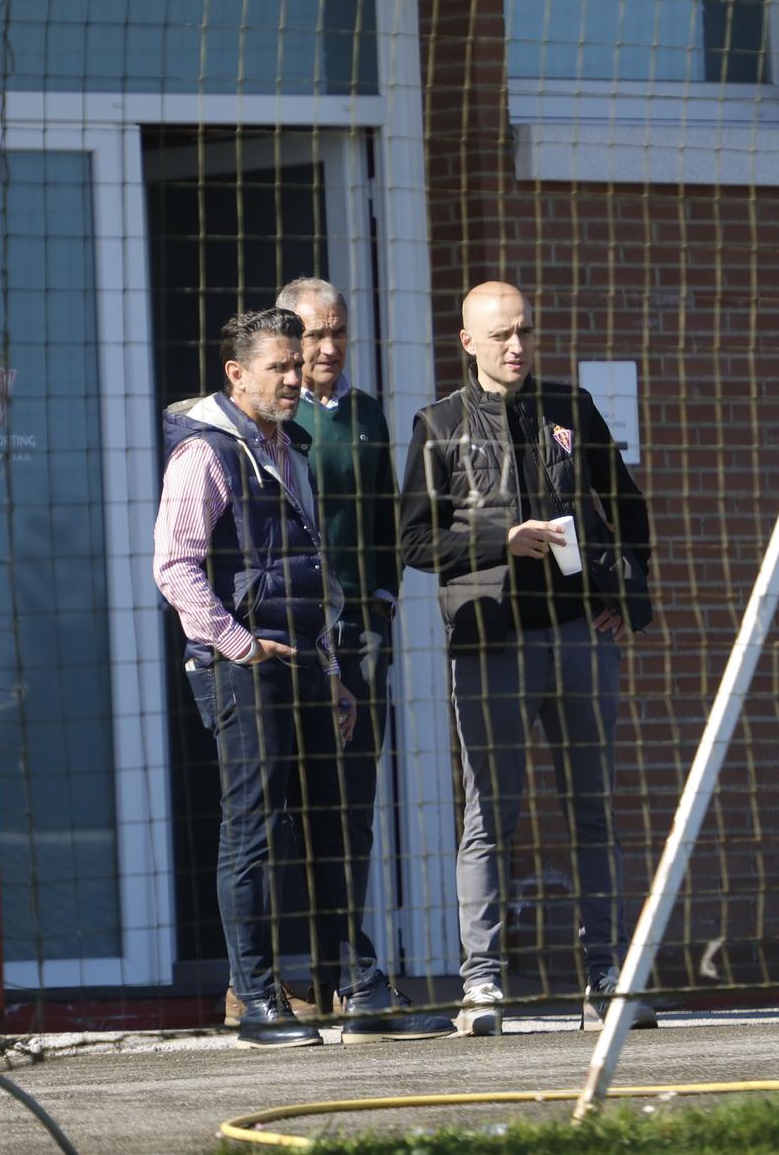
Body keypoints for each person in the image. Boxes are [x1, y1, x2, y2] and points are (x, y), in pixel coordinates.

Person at [155, 307, 451, 1048]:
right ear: (237, 374)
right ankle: (255, 998)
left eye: (297, 364)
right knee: (251, 830)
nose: (295, 377)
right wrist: (238, 644)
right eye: (279, 367)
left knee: (331, 827)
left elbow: (308, 574)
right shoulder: (206, 454)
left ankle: (359, 990)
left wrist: (333, 673)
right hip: (242, 671)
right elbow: (175, 568)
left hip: (307, 667)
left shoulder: (292, 448)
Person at [399, 281, 656, 1037]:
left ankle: (604, 977)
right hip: (491, 644)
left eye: (525, 332)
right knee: (490, 816)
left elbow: (629, 503)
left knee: (594, 810)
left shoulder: (570, 409)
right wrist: (495, 542)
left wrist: (626, 593)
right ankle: (483, 986)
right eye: (501, 335)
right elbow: (412, 541)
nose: (517, 347)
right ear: (467, 342)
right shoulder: (438, 425)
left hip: (579, 639)